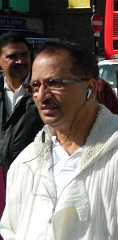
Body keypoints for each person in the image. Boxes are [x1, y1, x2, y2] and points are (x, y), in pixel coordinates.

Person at [0, 39, 118, 239]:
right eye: (35, 86)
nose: (42, 95)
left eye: (54, 83)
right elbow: (12, 231)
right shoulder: (26, 164)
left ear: (90, 88)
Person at [0, 32, 44, 225]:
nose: (20, 61)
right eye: (12, 56)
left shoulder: (43, 92)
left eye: (24, 55)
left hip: (34, 190)